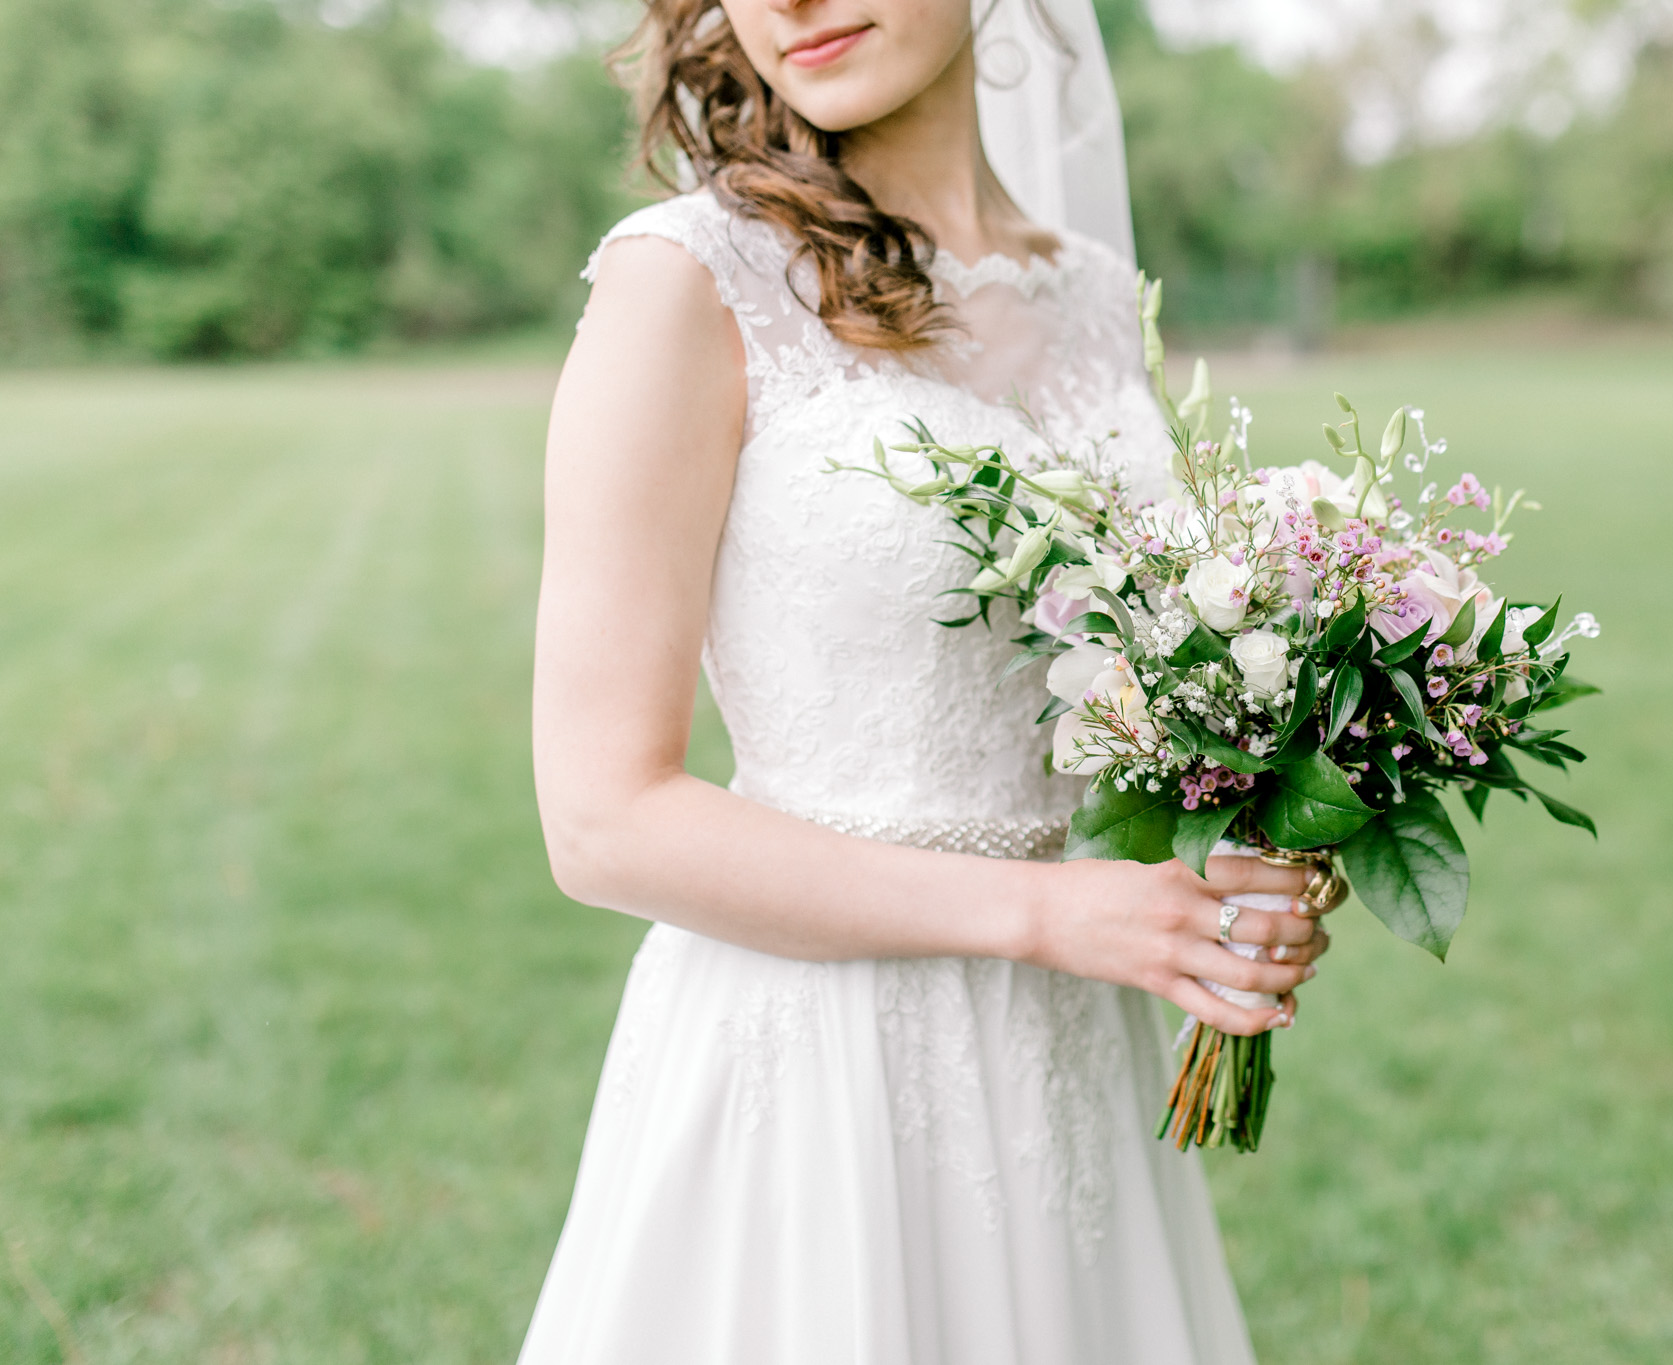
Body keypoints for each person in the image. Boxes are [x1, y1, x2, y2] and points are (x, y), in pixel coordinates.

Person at [519, 0, 1332, 1359]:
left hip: (1070, 1058)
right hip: (820, 1070)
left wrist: (1234, 857)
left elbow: (1114, 690)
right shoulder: (685, 283)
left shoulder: (1084, 290)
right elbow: (601, 818)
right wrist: (1050, 914)